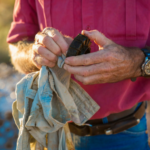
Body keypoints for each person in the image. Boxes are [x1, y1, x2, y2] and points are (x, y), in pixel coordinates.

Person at [7, 0, 150, 149]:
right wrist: (34, 53)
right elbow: (18, 44)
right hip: (52, 133)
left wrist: (135, 63)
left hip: (124, 135)